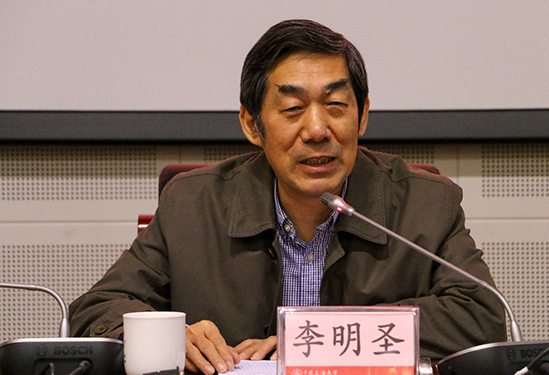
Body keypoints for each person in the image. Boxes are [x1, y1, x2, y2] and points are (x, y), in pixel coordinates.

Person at [69, 19, 506, 374]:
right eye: (293, 109)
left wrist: (312, 338)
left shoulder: (427, 204)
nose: (317, 130)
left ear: (362, 116)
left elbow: (481, 317)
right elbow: (95, 310)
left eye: (336, 106)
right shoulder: (192, 205)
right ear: (252, 125)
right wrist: (167, 338)